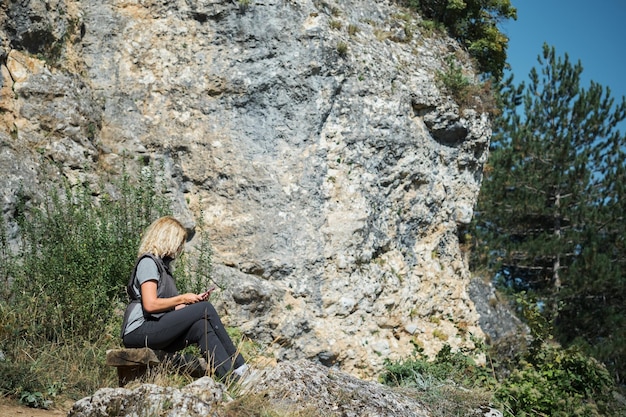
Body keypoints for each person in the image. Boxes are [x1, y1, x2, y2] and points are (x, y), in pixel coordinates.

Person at [120, 216, 248, 380]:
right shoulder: (148, 263)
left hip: (154, 327)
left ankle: (232, 380)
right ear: (168, 239)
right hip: (138, 331)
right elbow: (151, 305)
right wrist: (183, 299)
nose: (180, 248)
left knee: (201, 326)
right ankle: (240, 366)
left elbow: (169, 308)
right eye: (179, 242)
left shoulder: (164, 269)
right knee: (205, 309)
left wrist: (192, 303)